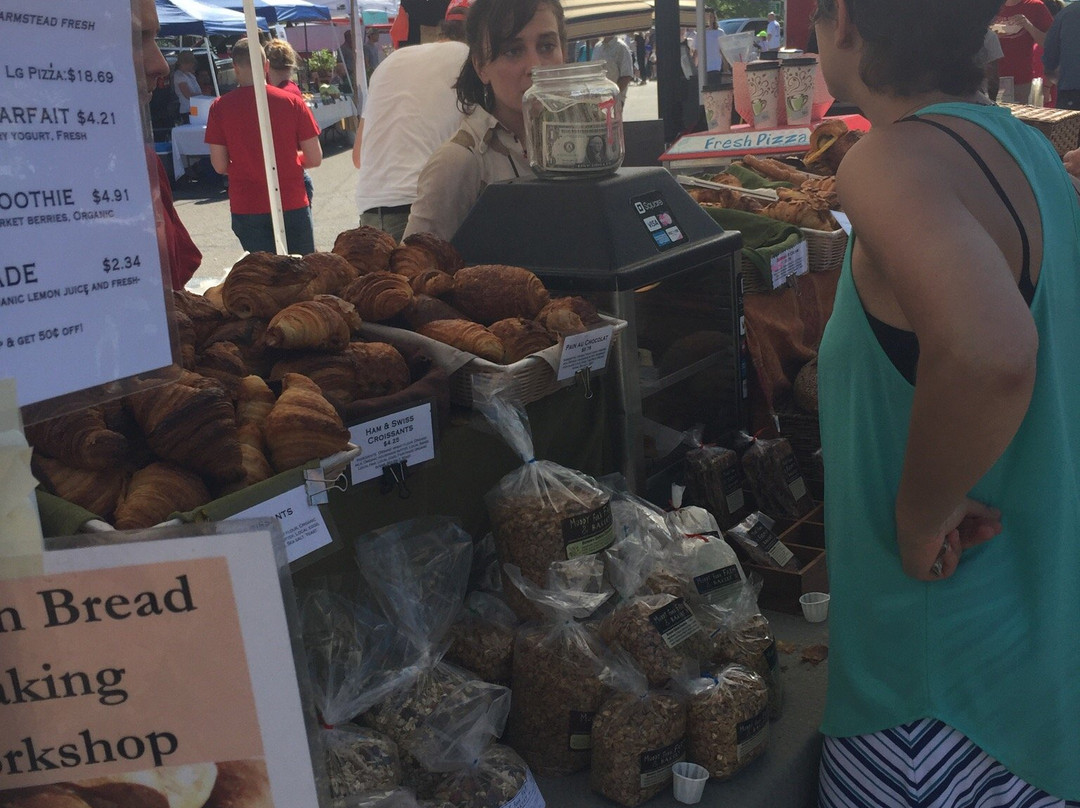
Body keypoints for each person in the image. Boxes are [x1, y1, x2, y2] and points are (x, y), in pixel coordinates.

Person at [810, 1, 1080, 807]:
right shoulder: (1031, 152)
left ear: (847, 20)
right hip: (1031, 692)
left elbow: (991, 352)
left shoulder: (888, 161)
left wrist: (919, 515)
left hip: (928, 709)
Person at [403, 0, 566, 240]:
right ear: (481, 66)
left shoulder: (579, 142)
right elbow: (415, 271)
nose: (535, 66)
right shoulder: (459, 162)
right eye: (513, 50)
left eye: (547, 46)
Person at [351, 0, 470, 240]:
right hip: (424, 208)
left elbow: (358, 156)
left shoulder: (390, 62)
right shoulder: (470, 59)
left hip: (371, 213)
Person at [205, 38, 322, 255]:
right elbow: (314, 158)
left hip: (247, 204)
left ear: (235, 67)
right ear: (266, 65)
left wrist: (245, 165)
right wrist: (290, 160)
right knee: (305, 275)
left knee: (265, 280)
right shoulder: (293, 103)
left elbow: (219, 165)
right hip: (291, 201)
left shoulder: (220, 108)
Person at [133, 0, 202, 289]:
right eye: (134, 38)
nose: (161, 65)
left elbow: (173, 288)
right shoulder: (137, 163)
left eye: (155, 38)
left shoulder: (142, 162)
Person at [266, 38, 316, 204]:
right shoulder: (292, 91)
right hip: (293, 174)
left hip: (288, 176)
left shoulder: (280, 97)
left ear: (266, 66)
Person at [992, 0, 1053, 103]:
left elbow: (1050, 43)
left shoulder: (1035, 6)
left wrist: (1028, 25)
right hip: (991, 78)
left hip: (1021, 78)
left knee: (1020, 116)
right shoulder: (991, 5)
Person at [1042, 0, 1080, 109]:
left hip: (1071, 91)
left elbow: (1050, 59)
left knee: (1070, 126)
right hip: (1071, 88)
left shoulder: (1067, 13)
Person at [591, 35, 634, 106]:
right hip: (598, 99)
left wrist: (612, 96)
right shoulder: (597, 47)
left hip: (614, 100)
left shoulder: (621, 47)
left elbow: (626, 76)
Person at [977, 26, 1005, 101]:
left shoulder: (946, 32)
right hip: (975, 96)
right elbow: (993, 77)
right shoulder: (989, 35)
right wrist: (992, 102)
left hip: (945, 95)